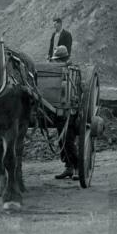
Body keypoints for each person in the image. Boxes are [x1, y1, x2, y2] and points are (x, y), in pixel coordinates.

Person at [49, 44, 78, 180]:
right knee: (62, 140)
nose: (56, 63)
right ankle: (68, 167)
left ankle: (77, 167)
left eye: (58, 60)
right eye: (55, 61)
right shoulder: (55, 71)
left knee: (68, 140)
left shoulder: (71, 71)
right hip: (57, 111)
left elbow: (75, 93)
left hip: (69, 112)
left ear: (64, 59)